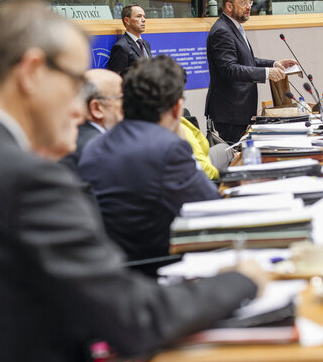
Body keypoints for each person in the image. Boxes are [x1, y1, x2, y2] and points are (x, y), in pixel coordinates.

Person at [0, 0, 264, 362]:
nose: (82, 111)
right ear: (32, 71)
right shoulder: (26, 179)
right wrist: (242, 280)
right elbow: (133, 318)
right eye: (76, 85)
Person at [79, 55, 221, 261]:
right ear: (176, 108)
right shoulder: (167, 147)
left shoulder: (95, 146)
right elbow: (211, 206)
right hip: (161, 264)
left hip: (115, 265)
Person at [205, 0, 296, 144]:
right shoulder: (222, 31)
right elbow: (230, 69)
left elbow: (247, 60)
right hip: (230, 113)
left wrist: (274, 63)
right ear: (229, 6)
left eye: (250, 2)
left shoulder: (235, 27)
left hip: (238, 111)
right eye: (243, 2)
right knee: (233, 160)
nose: (249, 7)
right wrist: (266, 73)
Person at [60, 68, 123, 173]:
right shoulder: (103, 148)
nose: (127, 104)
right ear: (97, 108)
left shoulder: (66, 139)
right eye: (121, 98)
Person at [106, 3, 151, 75]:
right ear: (127, 20)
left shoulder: (146, 44)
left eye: (144, 16)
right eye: (139, 16)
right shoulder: (121, 47)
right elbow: (116, 77)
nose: (144, 20)